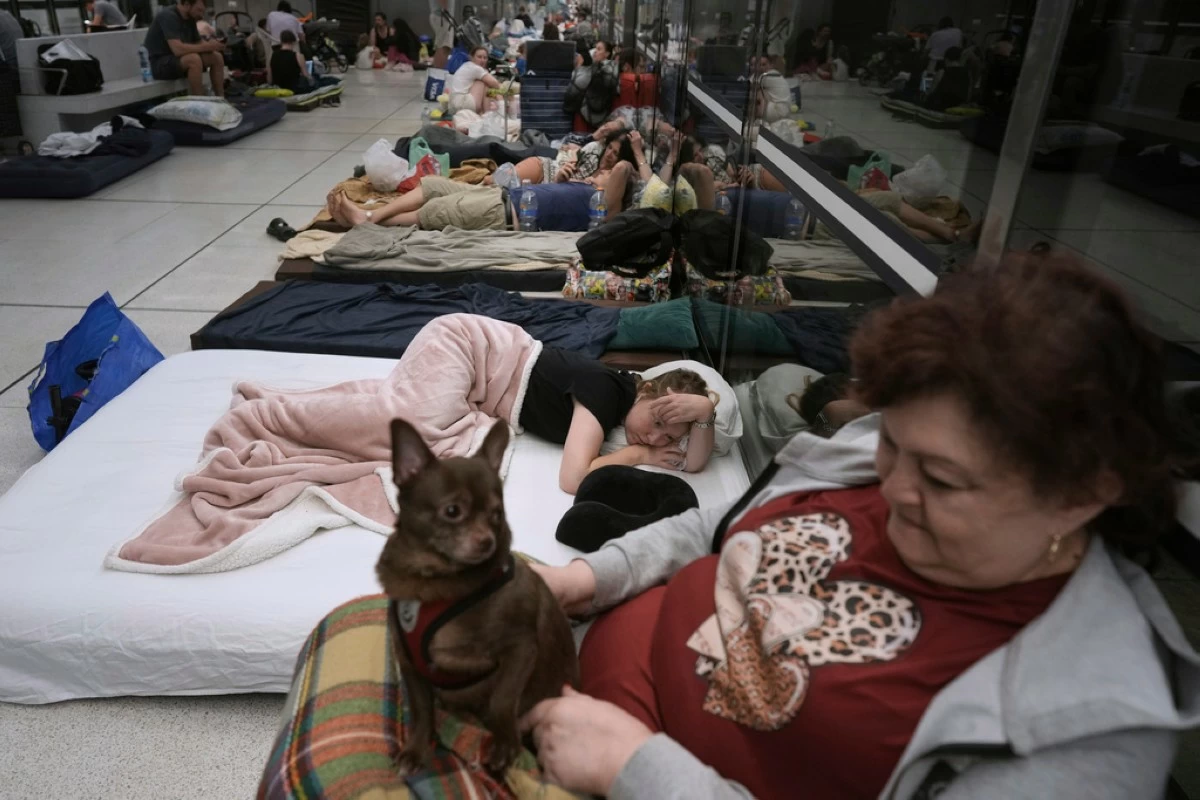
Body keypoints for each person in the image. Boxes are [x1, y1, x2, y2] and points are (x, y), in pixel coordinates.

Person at [523, 252, 1200, 798]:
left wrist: (634, 768)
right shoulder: (873, 457)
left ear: (1083, 493)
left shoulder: (1087, 736)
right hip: (588, 661)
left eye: (942, 480)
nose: (894, 487)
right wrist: (587, 579)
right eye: (890, 443)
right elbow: (719, 527)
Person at [143, 0, 224, 97]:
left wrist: (214, 45)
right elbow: (178, 50)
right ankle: (200, 102)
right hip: (160, 64)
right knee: (193, 59)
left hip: (178, 61)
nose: (201, 15)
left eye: (203, 11)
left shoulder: (190, 18)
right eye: (199, 10)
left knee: (216, 57)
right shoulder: (168, 16)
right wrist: (207, 46)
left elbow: (199, 42)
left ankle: (221, 99)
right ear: (186, 4)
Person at [268, 29, 336, 92]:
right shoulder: (298, 56)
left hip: (280, 87)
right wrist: (313, 82)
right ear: (293, 41)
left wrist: (270, 85)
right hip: (295, 88)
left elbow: (270, 76)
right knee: (326, 80)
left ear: (281, 41)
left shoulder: (273, 55)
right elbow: (306, 75)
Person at [446, 45, 499, 113]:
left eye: (485, 58)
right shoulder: (475, 68)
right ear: (471, 57)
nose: (482, 60)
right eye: (479, 57)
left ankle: (485, 113)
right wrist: (506, 92)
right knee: (485, 83)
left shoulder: (466, 65)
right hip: (462, 104)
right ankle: (487, 114)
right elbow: (495, 84)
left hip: (452, 105)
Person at [753, 54, 791, 123]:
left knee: (759, 92)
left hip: (776, 111)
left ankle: (758, 116)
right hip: (786, 111)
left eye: (764, 64)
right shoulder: (777, 74)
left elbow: (752, 87)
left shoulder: (766, 76)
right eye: (759, 65)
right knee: (763, 91)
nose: (761, 67)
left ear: (771, 65)